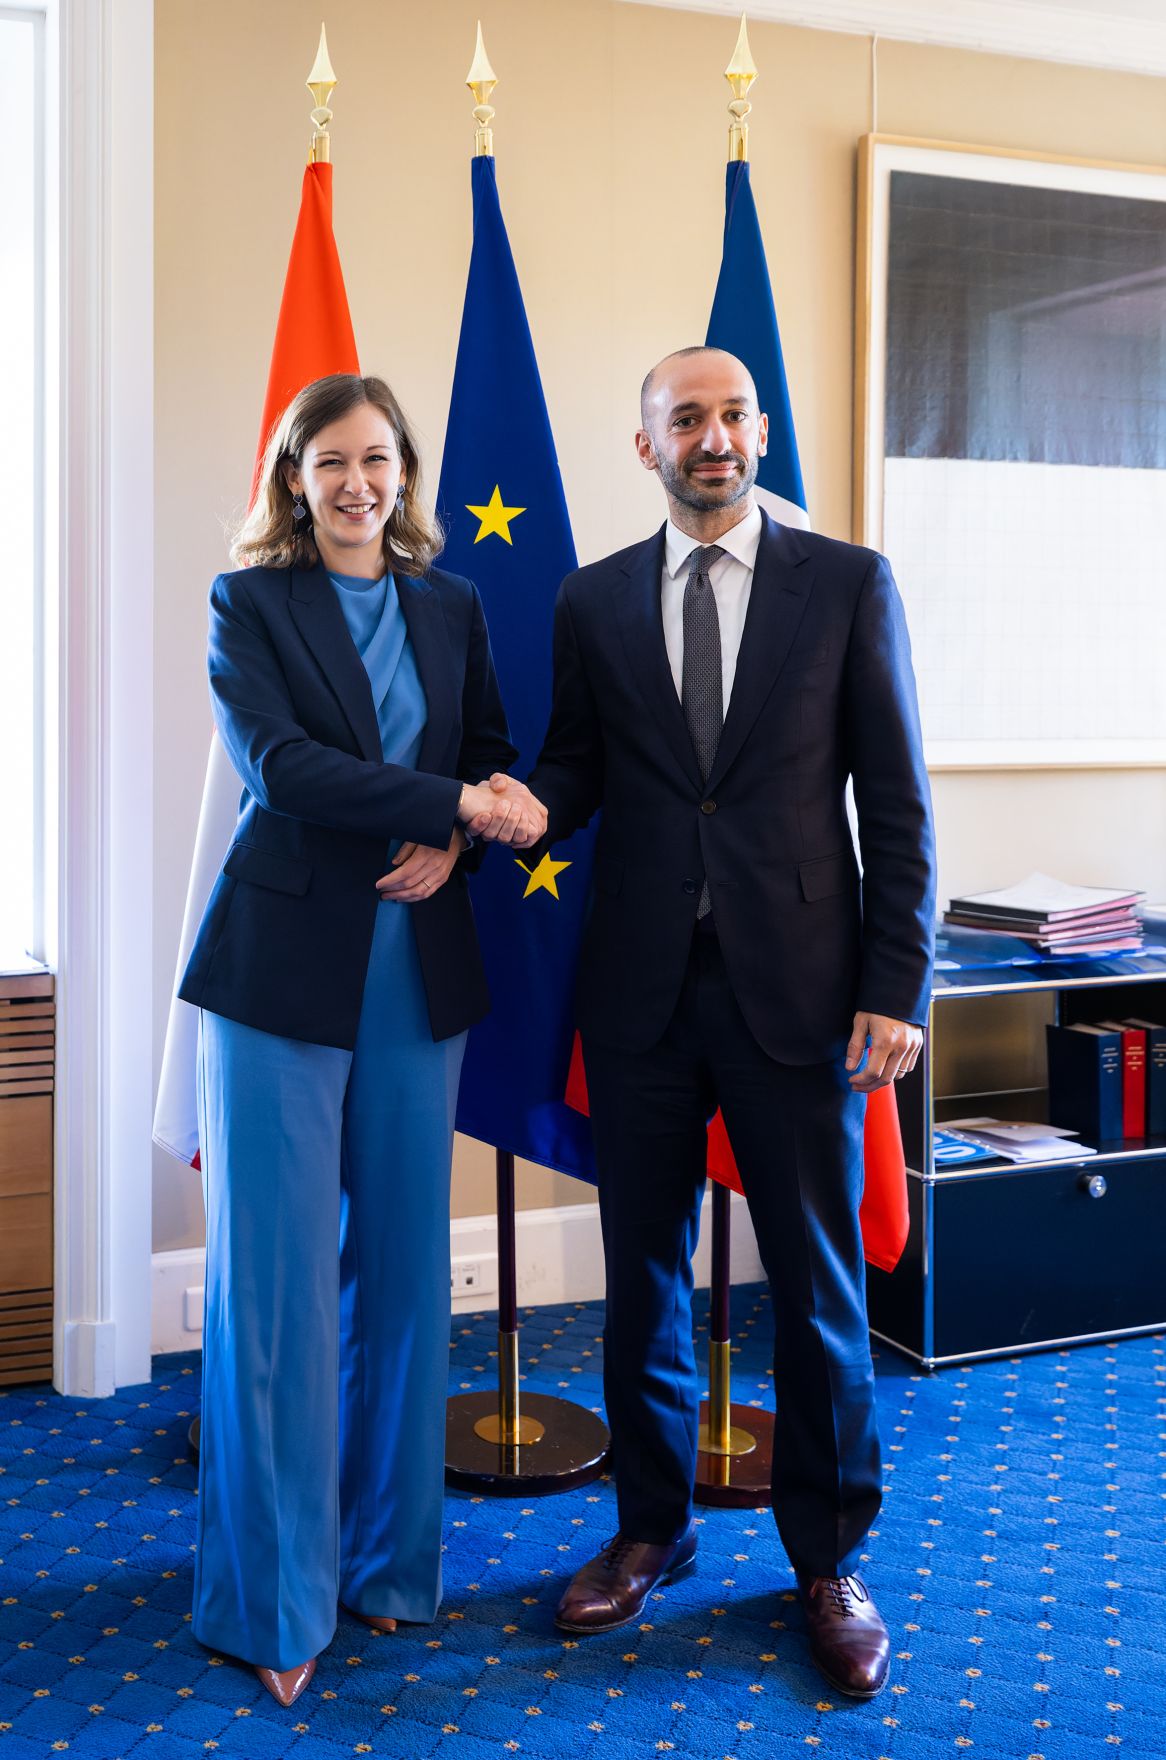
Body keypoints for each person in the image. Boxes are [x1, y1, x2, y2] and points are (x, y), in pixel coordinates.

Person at [479, 346, 936, 1698]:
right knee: (643, 1279)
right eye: (686, 419)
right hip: (639, 993)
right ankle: (649, 1529)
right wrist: (525, 806)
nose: (714, 437)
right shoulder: (593, 597)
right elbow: (576, 763)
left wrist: (896, 985)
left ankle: (826, 1560)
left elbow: (897, 801)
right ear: (648, 447)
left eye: (733, 415)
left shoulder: (846, 583)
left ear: (760, 431)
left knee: (816, 1288)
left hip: (803, 995)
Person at [178, 372, 545, 1707]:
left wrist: (460, 836)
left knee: (400, 1277)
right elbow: (279, 768)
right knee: (275, 1291)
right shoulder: (249, 602)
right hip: (279, 975)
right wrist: (448, 805)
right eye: (329, 461)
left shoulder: (451, 604)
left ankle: (388, 1568)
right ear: (294, 476)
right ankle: (272, 1600)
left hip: (415, 973)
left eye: (377, 459)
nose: (356, 483)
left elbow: (491, 752)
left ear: (405, 473)